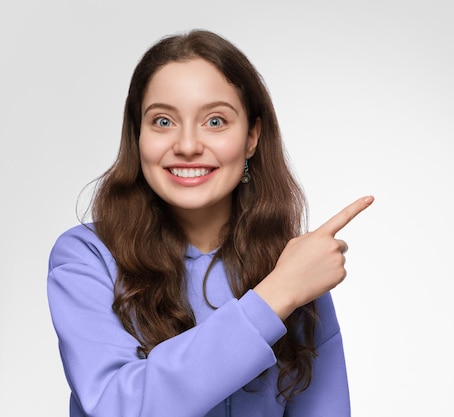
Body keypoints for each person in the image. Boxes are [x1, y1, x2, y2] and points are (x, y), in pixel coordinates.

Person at [46, 29, 374, 417]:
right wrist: (275, 296)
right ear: (137, 135)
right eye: (163, 121)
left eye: (215, 121)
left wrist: (289, 283)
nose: (187, 145)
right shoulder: (86, 257)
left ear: (252, 136)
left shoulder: (292, 263)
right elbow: (119, 406)